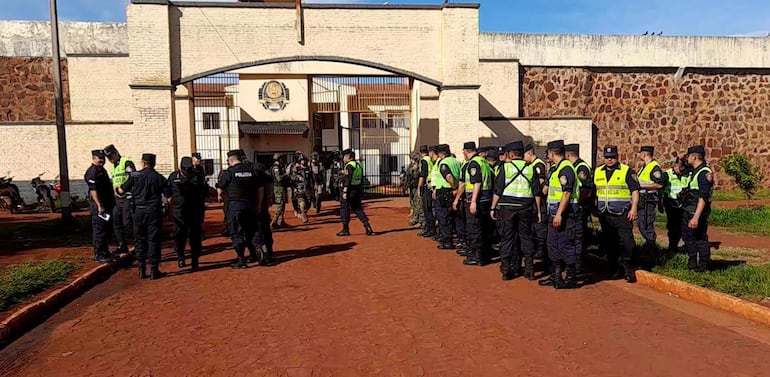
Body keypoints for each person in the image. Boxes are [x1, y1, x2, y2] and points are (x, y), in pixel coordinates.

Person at [491, 141, 540, 281]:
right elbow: (536, 192)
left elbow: (498, 190)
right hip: (526, 207)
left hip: (507, 208)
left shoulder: (505, 168)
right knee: (526, 238)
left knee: (507, 238)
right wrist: (538, 211)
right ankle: (530, 269)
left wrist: (493, 207)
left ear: (511, 154)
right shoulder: (530, 168)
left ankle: (506, 269)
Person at [117, 153, 168, 280]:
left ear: (143, 163)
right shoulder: (159, 178)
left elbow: (122, 191)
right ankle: (154, 270)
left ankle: (141, 269)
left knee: (139, 239)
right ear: (153, 163)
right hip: (154, 212)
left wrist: (116, 188)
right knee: (153, 239)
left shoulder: (135, 176)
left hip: (138, 211)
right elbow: (168, 194)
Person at [593, 145, 640, 283]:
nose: (609, 160)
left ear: (617, 157)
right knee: (610, 242)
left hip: (622, 213)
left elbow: (635, 191)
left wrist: (634, 209)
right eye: (607, 157)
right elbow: (594, 192)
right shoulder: (598, 172)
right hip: (604, 214)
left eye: (612, 157)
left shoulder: (626, 171)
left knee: (626, 242)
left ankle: (628, 269)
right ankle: (614, 269)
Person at [539, 140, 580, 289]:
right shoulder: (556, 168)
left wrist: (559, 214)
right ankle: (556, 276)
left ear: (552, 152)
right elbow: (547, 190)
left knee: (565, 244)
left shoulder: (566, 168)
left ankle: (570, 277)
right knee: (552, 244)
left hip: (565, 212)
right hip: (554, 211)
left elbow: (567, 193)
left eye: (548, 152)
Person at [216, 150, 264, 269]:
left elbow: (220, 190)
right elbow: (260, 189)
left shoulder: (229, 172)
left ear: (231, 160)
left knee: (236, 232)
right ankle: (258, 248)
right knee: (252, 230)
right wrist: (258, 204)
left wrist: (221, 198)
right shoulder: (252, 170)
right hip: (250, 205)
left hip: (235, 206)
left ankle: (241, 260)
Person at [166, 157, 207, 271]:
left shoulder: (197, 176)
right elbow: (169, 195)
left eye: (188, 172)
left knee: (195, 237)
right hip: (179, 213)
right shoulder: (174, 177)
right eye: (184, 172)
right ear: (180, 169)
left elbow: (204, 193)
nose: (187, 174)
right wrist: (170, 213)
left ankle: (195, 260)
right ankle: (180, 257)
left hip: (194, 212)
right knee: (179, 236)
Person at [461, 141, 494, 266]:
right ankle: (485, 255)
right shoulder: (483, 162)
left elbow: (477, 182)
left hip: (476, 200)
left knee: (474, 228)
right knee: (484, 228)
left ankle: (477, 257)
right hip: (486, 199)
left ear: (466, 151)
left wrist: (473, 201)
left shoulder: (473, 163)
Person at [682, 145, 713, 272]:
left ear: (694, 157)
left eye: (688, 156)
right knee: (689, 237)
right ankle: (693, 262)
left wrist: (696, 217)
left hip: (696, 211)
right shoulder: (694, 171)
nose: (687, 158)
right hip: (689, 209)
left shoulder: (704, 173)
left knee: (699, 238)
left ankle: (703, 265)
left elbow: (703, 197)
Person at [565, 143, 594, 275]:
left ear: (568, 155)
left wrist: (578, 202)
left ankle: (579, 266)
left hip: (581, 207)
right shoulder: (573, 166)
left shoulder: (581, 167)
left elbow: (587, 189)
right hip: (575, 207)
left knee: (578, 236)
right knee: (573, 235)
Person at [84, 149, 115, 263]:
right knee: (99, 230)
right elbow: (93, 190)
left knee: (107, 229)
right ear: (93, 158)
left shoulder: (101, 170)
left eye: (103, 158)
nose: (102, 160)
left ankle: (105, 252)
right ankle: (99, 254)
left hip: (107, 204)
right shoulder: (92, 172)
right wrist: (99, 205)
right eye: (99, 158)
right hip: (99, 205)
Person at [104, 144, 135, 255]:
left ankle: (138, 243)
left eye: (111, 156)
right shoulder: (113, 167)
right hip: (117, 199)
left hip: (128, 197)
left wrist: (124, 188)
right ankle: (122, 244)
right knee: (116, 222)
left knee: (127, 222)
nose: (110, 160)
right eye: (108, 158)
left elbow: (133, 176)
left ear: (116, 153)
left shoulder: (126, 162)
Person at [336, 149, 373, 236]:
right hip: (357, 190)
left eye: (344, 157)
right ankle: (367, 226)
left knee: (344, 209)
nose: (343, 158)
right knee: (357, 209)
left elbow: (348, 179)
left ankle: (345, 229)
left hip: (349, 190)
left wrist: (345, 191)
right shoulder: (358, 165)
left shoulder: (349, 165)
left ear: (348, 157)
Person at [637, 145, 667, 249]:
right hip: (642, 200)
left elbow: (659, 184)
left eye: (640, 152)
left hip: (648, 200)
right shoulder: (644, 166)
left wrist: (641, 186)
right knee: (642, 225)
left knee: (646, 225)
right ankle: (649, 247)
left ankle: (652, 249)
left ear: (644, 154)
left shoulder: (654, 167)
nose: (639, 155)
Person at [524, 143, 549, 265]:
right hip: (534, 200)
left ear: (529, 153)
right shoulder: (531, 165)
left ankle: (541, 250)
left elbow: (540, 182)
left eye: (524, 155)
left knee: (540, 227)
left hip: (540, 200)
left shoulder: (538, 165)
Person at [433, 144, 462, 250]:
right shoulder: (456, 161)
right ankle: (460, 240)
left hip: (445, 191)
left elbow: (448, 176)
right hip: (455, 191)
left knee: (444, 217)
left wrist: (453, 186)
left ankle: (447, 241)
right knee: (455, 216)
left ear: (441, 154)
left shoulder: (444, 163)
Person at [251, 158, 275, 266]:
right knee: (265, 229)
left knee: (256, 230)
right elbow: (269, 186)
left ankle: (261, 252)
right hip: (263, 205)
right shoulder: (263, 172)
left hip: (254, 206)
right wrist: (269, 199)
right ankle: (269, 252)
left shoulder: (253, 172)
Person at [662, 157, 689, 253]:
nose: (682, 171)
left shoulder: (686, 174)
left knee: (683, 226)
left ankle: (683, 246)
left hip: (683, 204)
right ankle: (672, 247)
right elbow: (660, 188)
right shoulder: (666, 174)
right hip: (671, 204)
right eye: (680, 168)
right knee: (672, 226)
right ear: (675, 166)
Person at [417, 145, 437, 238]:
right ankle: (430, 228)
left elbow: (423, 174)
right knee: (429, 208)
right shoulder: (430, 160)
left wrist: (419, 187)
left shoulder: (424, 160)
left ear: (420, 152)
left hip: (427, 186)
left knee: (427, 208)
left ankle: (430, 229)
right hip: (431, 185)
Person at [271, 153, 289, 228]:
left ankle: (280, 221)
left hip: (281, 187)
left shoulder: (279, 167)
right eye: (282, 159)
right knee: (280, 205)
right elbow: (279, 178)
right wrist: (286, 175)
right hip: (279, 188)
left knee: (283, 205)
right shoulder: (276, 168)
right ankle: (274, 222)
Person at [292, 157, 311, 223]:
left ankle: (303, 212)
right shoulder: (296, 169)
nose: (303, 161)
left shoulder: (308, 169)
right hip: (300, 188)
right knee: (302, 202)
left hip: (307, 188)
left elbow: (311, 178)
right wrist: (298, 178)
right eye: (302, 160)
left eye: (304, 160)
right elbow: (292, 178)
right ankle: (303, 216)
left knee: (309, 203)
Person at [407, 153, 423, 226]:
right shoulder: (411, 165)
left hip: (418, 186)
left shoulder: (420, 165)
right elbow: (408, 174)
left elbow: (418, 176)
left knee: (418, 203)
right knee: (413, 201)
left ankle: (417, 219)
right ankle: (415, 216)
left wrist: (415, 169)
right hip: (413, 186)